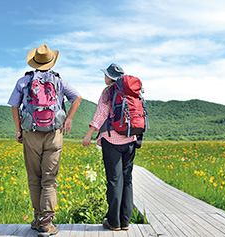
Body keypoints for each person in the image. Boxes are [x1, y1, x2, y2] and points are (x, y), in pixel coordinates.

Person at [8, 44, 82, 236]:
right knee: (49, 179)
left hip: (30, 133)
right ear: (51, 62)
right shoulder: (59, 82)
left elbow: (14, 106)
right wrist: (69, 119)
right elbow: (77, 97)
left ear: (35, 62)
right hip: (54, 133)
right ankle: (45, 222)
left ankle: (37, 217)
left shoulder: (24, 81)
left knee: (34, 177)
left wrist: (19, 130)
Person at [82, 63, 137, 231]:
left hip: (112, 140)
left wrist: (90, 132)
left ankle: (113, 221)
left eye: (106, 74)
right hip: (131, 139)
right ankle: (125, 221)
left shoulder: (108, 92)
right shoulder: (131, 92)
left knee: (114, 181)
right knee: (127, 180)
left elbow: (101, 114)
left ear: (110, 77)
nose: (104, 77)